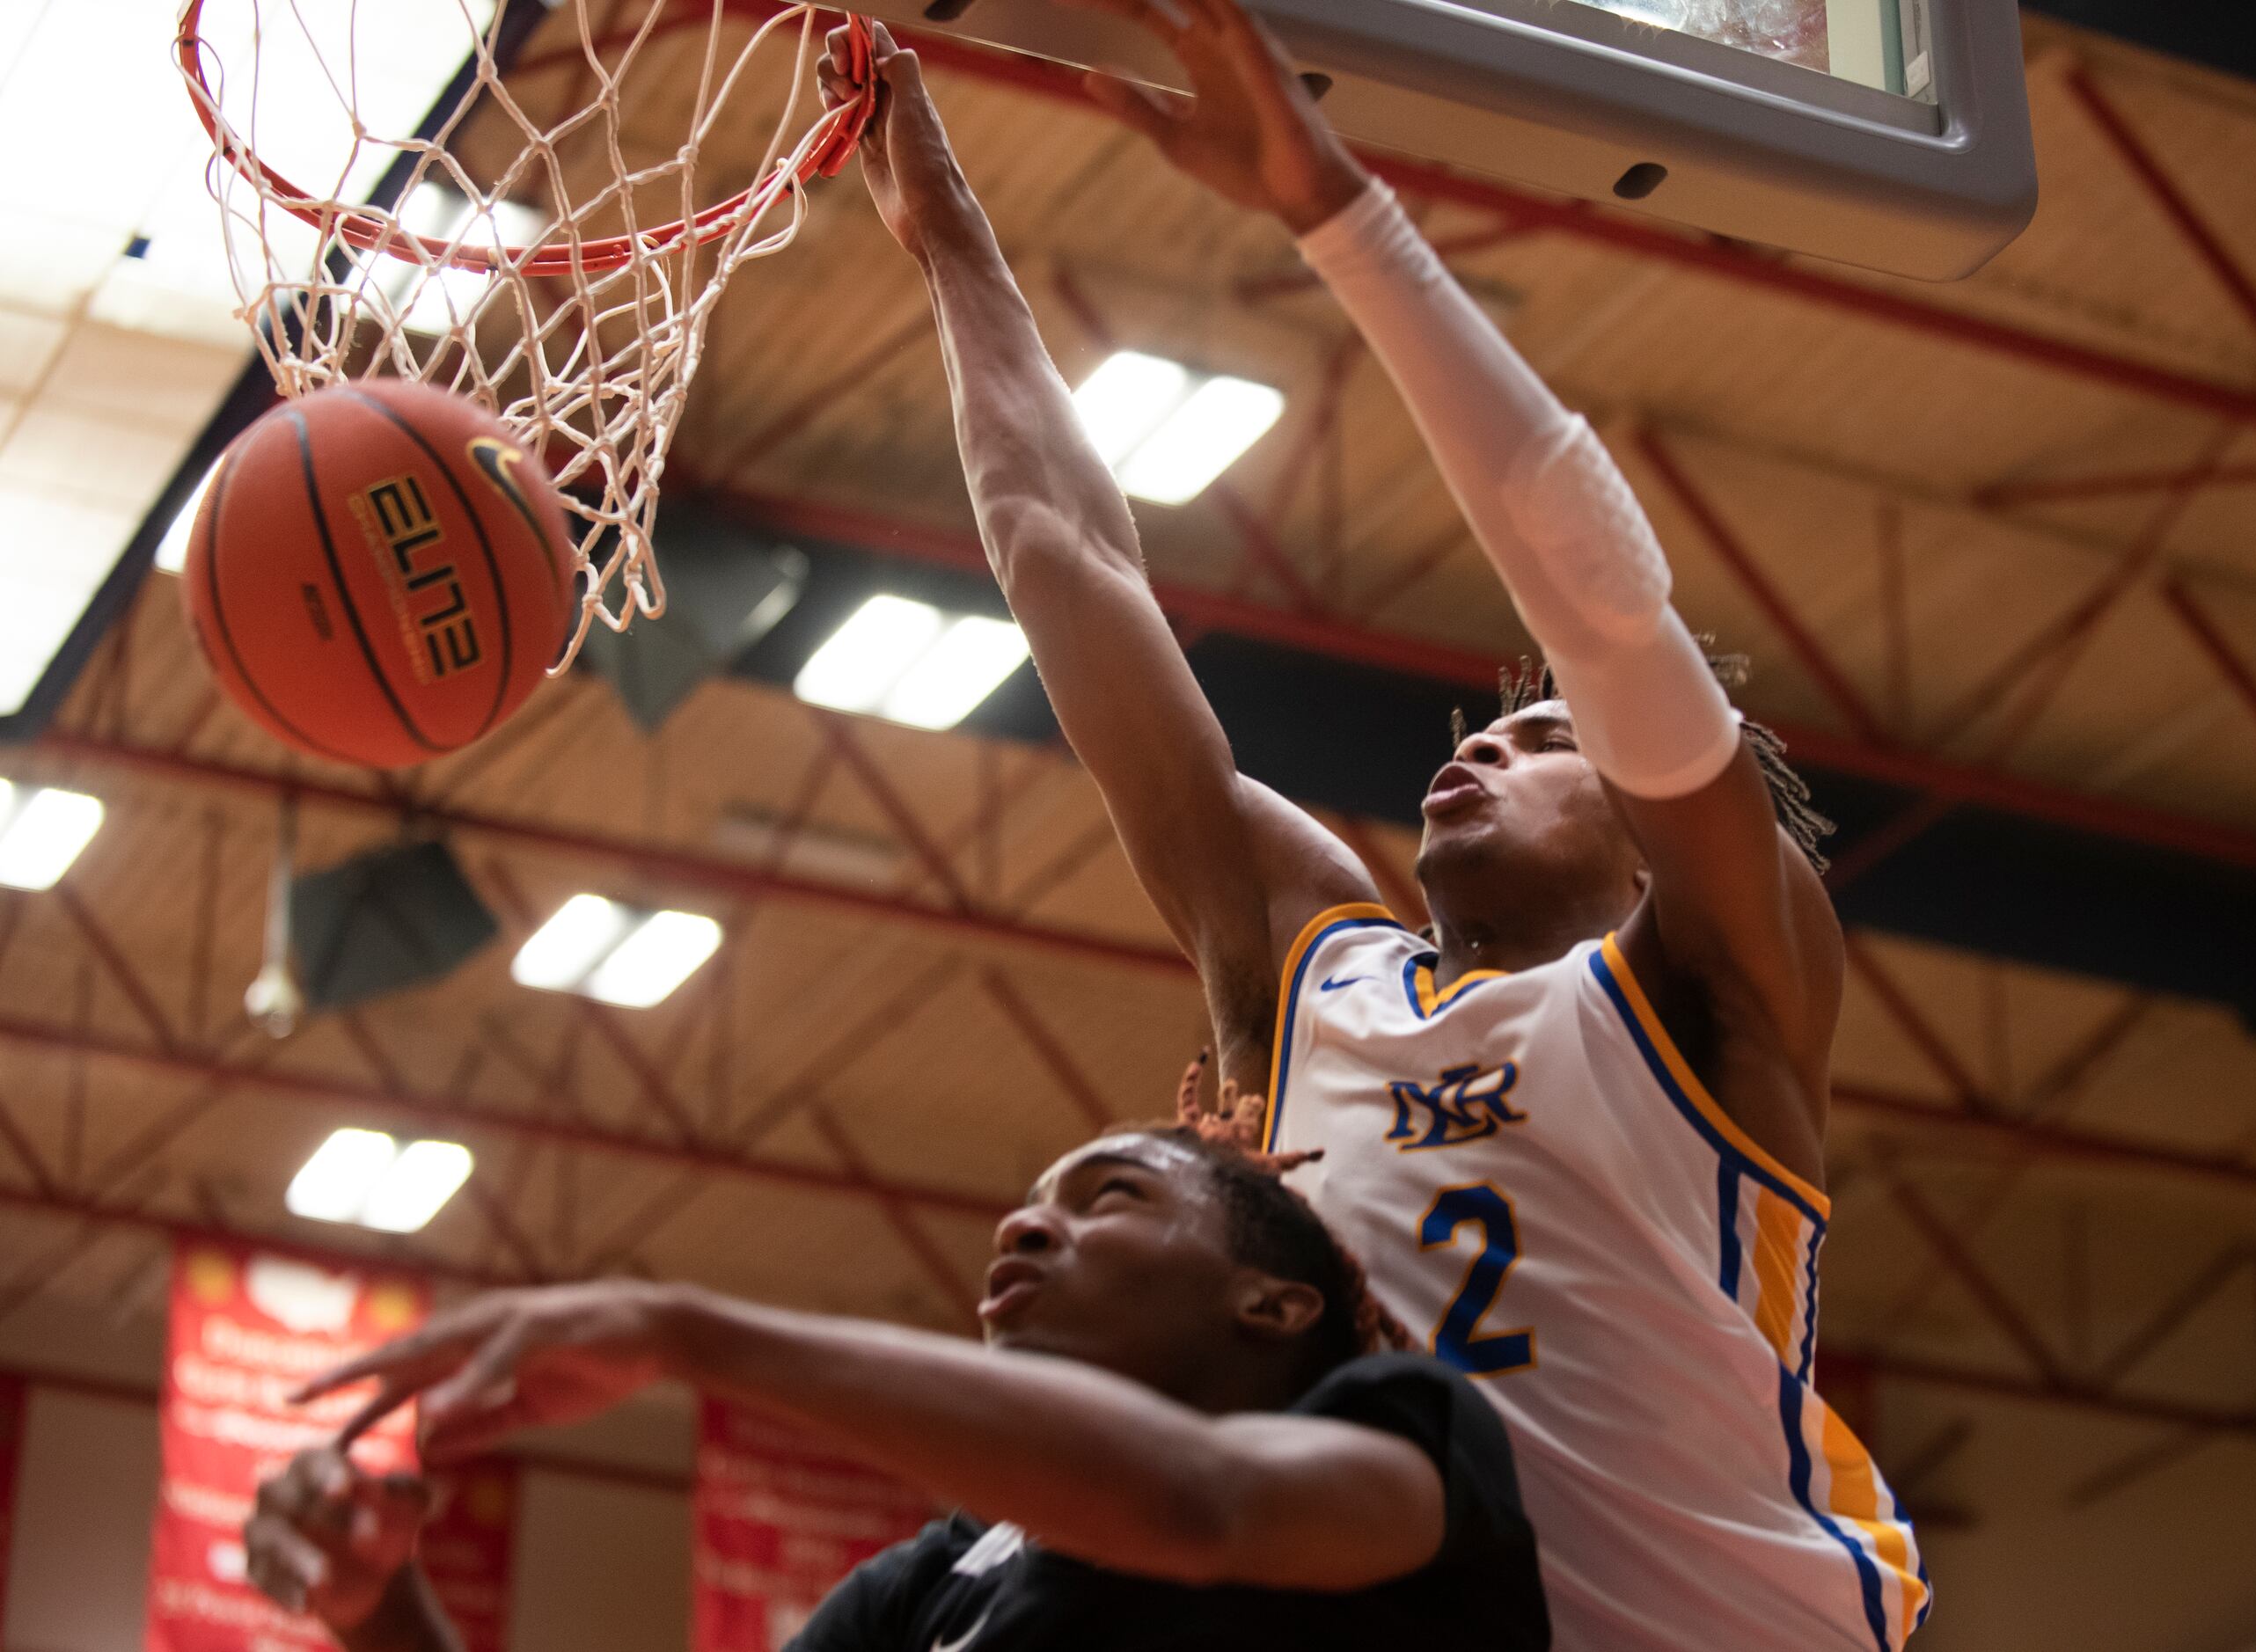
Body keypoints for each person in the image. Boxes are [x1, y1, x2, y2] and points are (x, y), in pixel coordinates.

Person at [823, 9, 1926, 1651]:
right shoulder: (1317, 971)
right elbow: (1068, 554)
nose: (1476, 755)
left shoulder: (1719, 989)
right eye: (1478, 732)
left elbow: (1617, 625)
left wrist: (1340, 209)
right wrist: (952, 248)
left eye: (1543, 741)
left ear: (1652, 834)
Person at [240, 1110, 1550, 1652]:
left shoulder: (1411, 1435)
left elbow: (1202, 1506)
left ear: (1271, 1302)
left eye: (1109, 1199)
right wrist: (379, 1612)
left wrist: (687, 1332)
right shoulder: (941, 1580)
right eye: (1029, 1205)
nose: (1024, 1227)